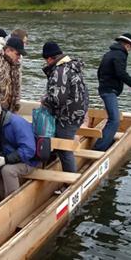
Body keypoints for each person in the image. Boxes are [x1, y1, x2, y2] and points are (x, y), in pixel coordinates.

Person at [41, 41, 89, 173]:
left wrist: (44, 100)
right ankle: (52, 166)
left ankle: (70, 182)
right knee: (59, 145)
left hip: (67, 117)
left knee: (64, 149)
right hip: (77, 113)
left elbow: (57, 99)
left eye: (46, 60)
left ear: (50, 58)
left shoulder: (60, 71)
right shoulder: (72, 66)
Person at [0, 95, 38, 198]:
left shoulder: (17, 124)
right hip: (10, 158)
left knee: (8, 171)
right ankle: (5, 199)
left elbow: (29, 149)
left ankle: (13, 202)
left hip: (29, 161)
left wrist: (6, 160)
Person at [94, 33, 131, 151]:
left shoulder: (109, 54)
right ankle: (99, 148)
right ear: (126, 45)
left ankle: (108, 140)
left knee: (111, 117)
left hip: (105, 89)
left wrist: (103, 84)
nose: (130, 50)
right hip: (109, 91)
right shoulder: (120, 55)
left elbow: (99, 71)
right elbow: (121, 73)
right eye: (130, 47)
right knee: (115, 120)